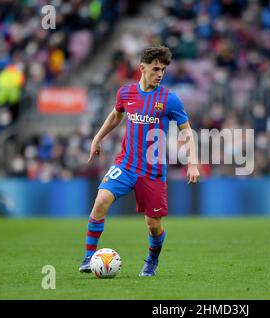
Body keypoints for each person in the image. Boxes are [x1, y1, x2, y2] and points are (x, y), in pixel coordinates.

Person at [79, 46, 200, 276]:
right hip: (125, 164)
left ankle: (152, 261)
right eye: (156, 69)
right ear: (142, 68)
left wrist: (192, 163)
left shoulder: (169, 100)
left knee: (153, 226)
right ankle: (88, 258)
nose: (160, 73)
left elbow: (187, 132)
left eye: (163, 69)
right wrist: (97, 138)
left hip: (152, 172)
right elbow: (116, 115)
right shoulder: (126, 93)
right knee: (101, 200)